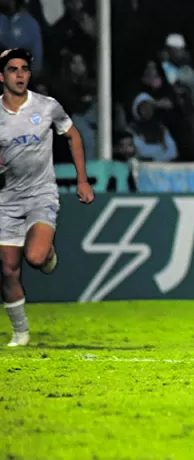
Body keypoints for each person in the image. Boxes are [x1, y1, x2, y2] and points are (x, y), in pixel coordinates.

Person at [0, 48, 94, 348]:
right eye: (13, 70)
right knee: (7, 268)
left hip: (42, 193)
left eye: (24, 69)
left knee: (35, 257)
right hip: (7, 198)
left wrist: (82, 179)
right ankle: (21, 332)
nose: (20, 75)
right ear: (1, 76)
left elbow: (73, 136)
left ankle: (47, 253)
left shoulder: (47, 106)